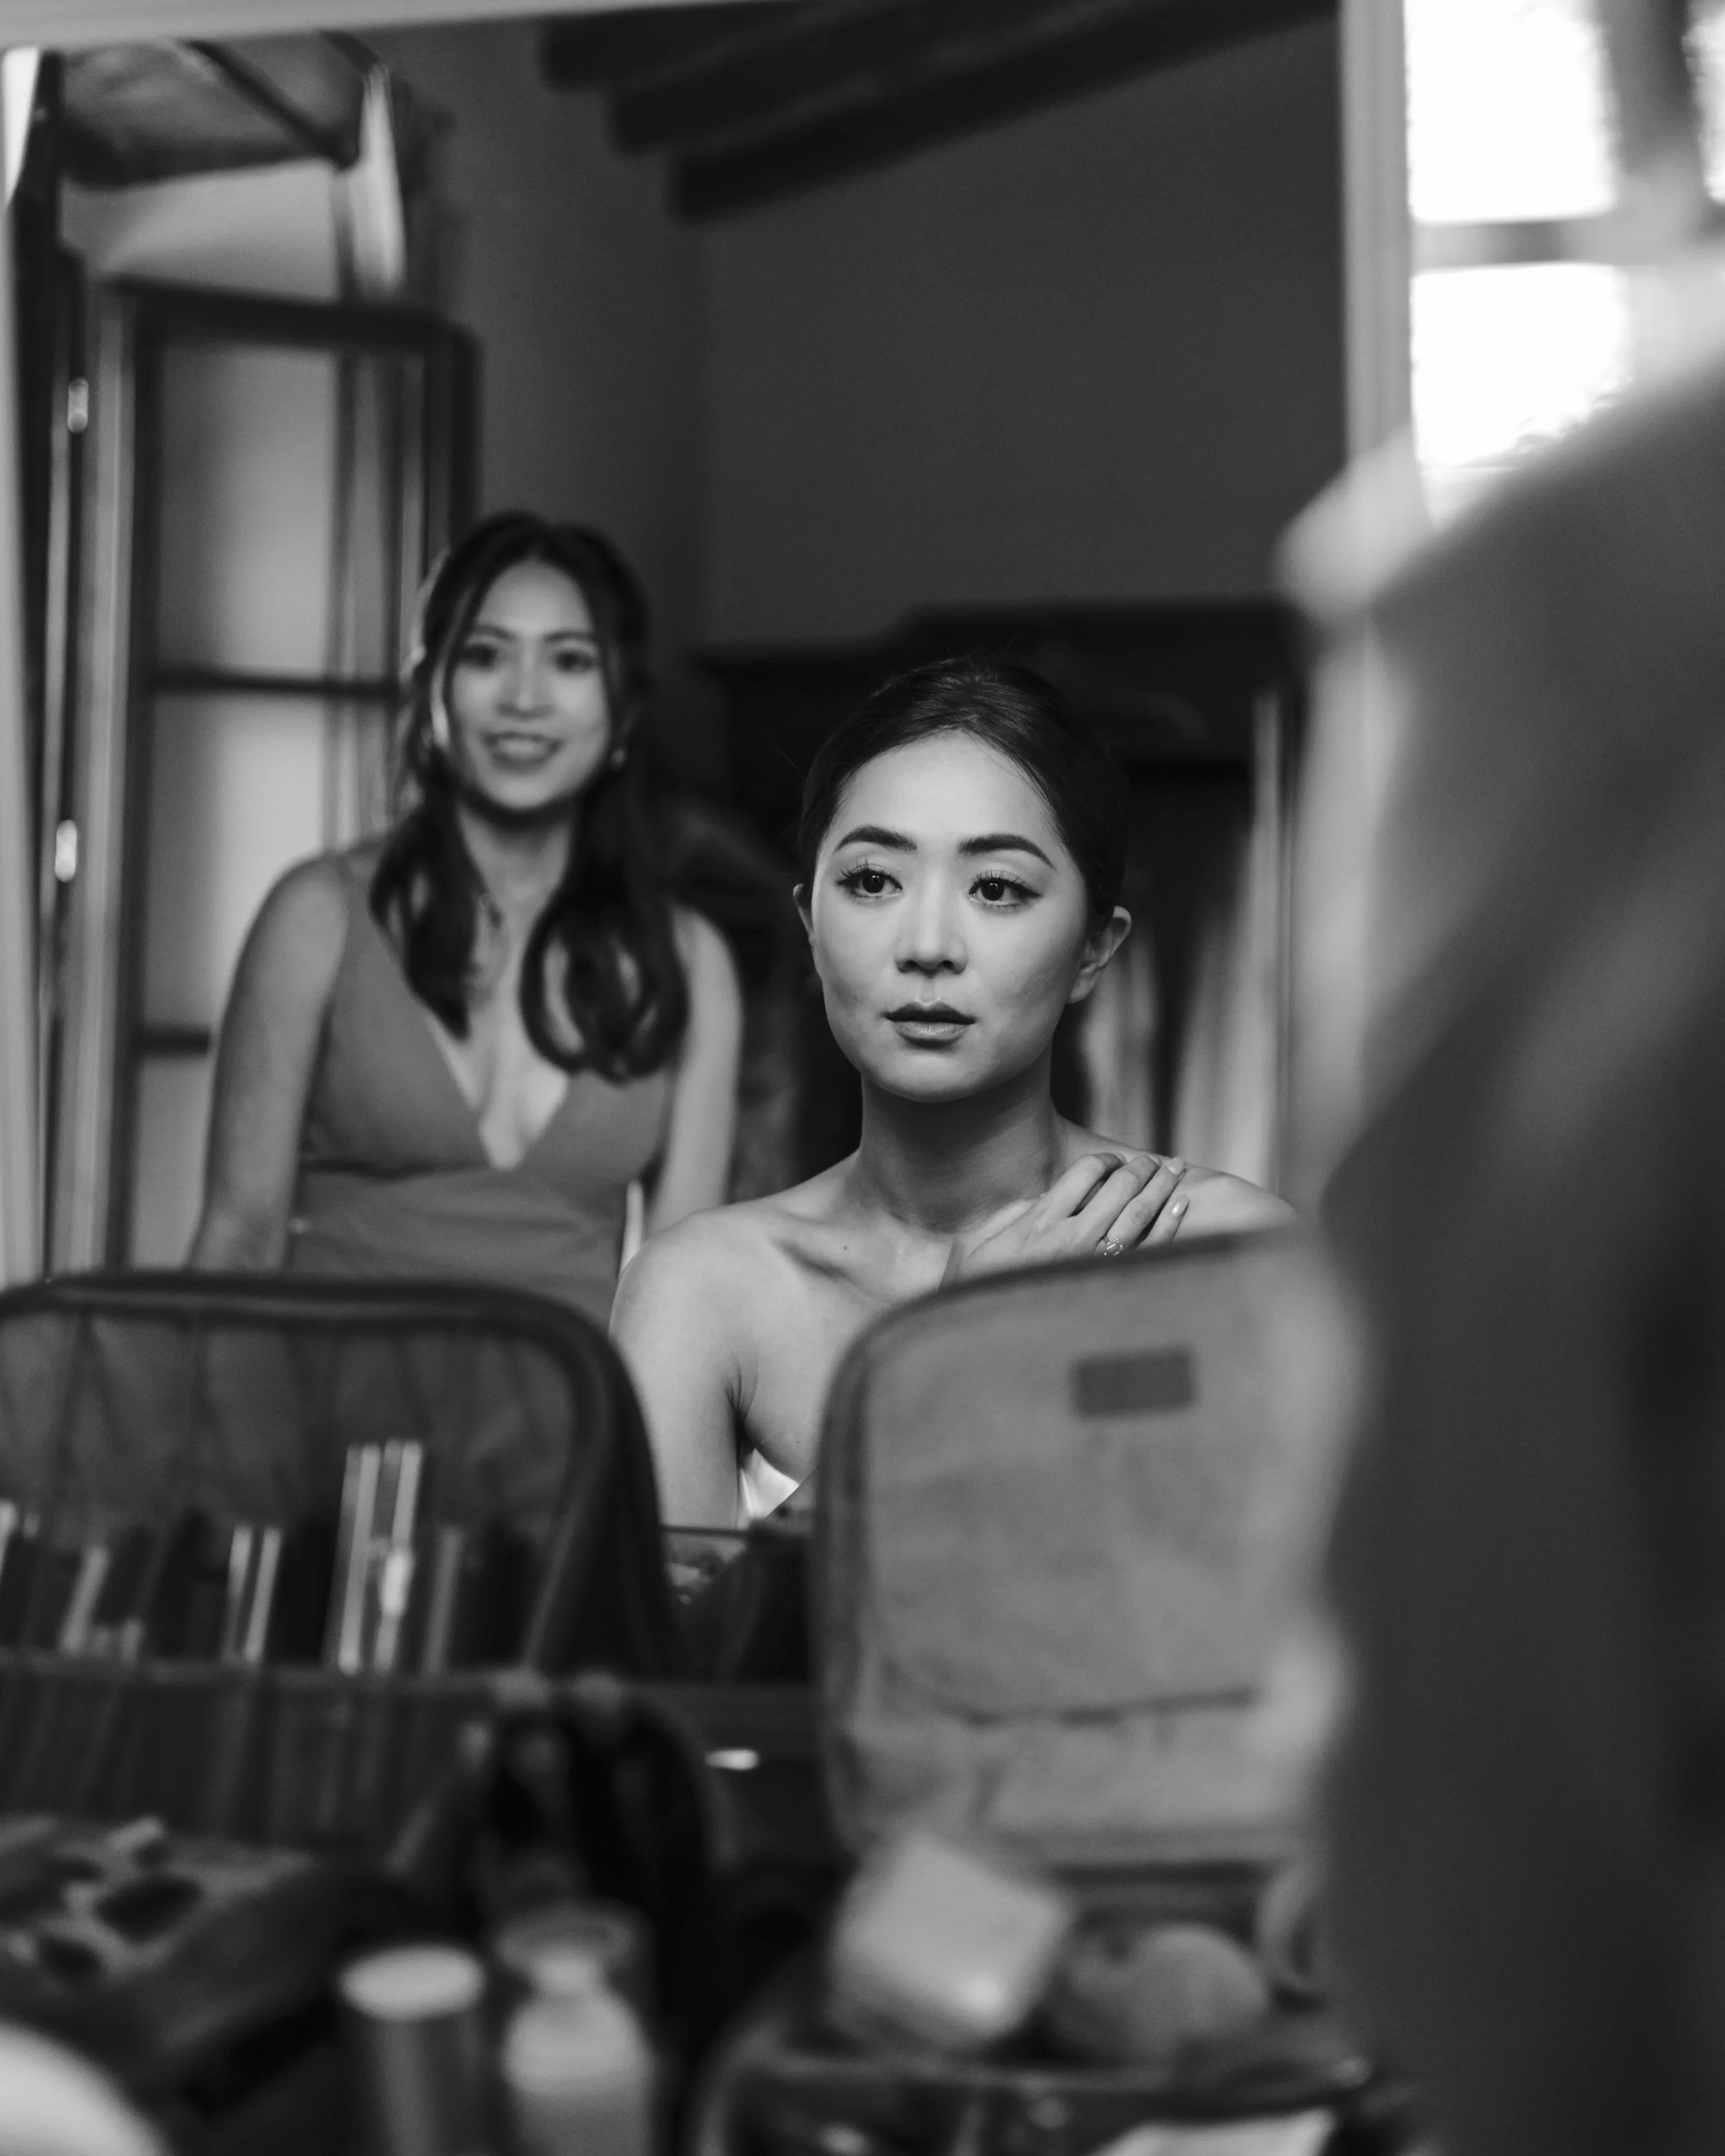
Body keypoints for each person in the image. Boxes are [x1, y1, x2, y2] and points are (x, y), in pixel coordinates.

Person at [612, 656, 1290, 1527]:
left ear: (1094, 947)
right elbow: (688, 1660)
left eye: (996, 888)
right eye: (872, 881)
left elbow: (1327, 1629)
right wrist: (939, 1365)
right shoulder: (702, 1286)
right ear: (811, 925)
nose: (928, 943)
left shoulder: (1232, 1258)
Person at [188, 513, 743, 1329]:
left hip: (569, 1437)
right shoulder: (316, 914)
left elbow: (683, 1302)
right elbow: (239, 1237)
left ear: (623, 715)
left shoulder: (690, 962)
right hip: (315, 1416)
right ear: (433, 689)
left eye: (570, 660)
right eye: (485, 655)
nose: (523, 698)